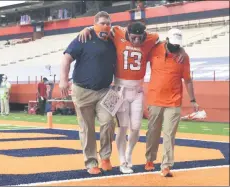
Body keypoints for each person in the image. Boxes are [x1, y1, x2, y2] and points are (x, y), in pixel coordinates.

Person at [78, 21, 185, 174]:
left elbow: (165, 46)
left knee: (135, 128)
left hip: (137, 90)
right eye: (133, 38)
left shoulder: (151, 38)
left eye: (139, 38)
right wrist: (87, 28)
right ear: (127, 33)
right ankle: (122, 160)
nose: (136, 41)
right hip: (118, 90)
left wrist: (179, 50)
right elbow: (101, 29)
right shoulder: (117, 32)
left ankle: (129, 156)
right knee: (121, 127)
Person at [59, 11, 116, 175]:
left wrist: (91, 27)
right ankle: (91, 162)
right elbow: (66, 58)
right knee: (87, 127)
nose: (106, 26)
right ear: (95, 24)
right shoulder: (83, 37)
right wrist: (63, 80)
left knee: (109, 122)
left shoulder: (113, 39)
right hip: (82, 90)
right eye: (102, 23)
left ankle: (105, 157)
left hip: (106, 90)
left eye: (108, 23)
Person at [144, 28, 199, 177]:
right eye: (173, 45)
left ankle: (166, 165)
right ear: (166, 40)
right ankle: (150, 159)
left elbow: (187, 80)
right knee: (153, 132)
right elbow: (143, 42)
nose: (175, 48)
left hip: (174, 101)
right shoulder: (154, 49)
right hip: (154, 99)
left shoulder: (183, 57)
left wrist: (193, 100)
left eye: (178, 46)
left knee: (169, 134)